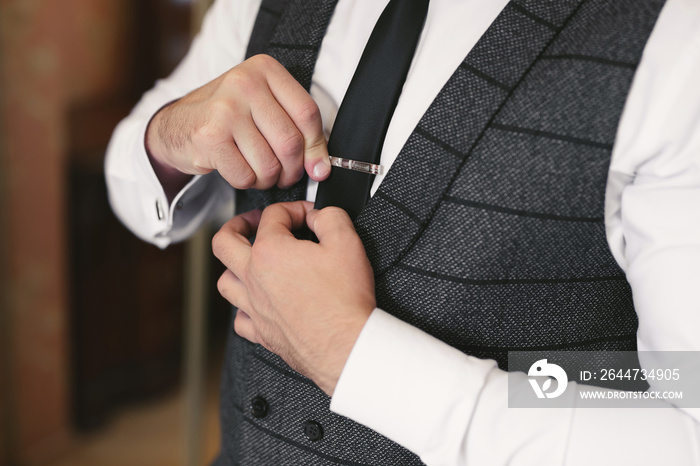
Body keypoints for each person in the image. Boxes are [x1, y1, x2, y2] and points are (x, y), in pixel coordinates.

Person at [105, 0, 700, 464]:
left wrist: (356, 358)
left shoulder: (677, 40)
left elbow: (683, 416)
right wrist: (170, 136)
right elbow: (132, 191)